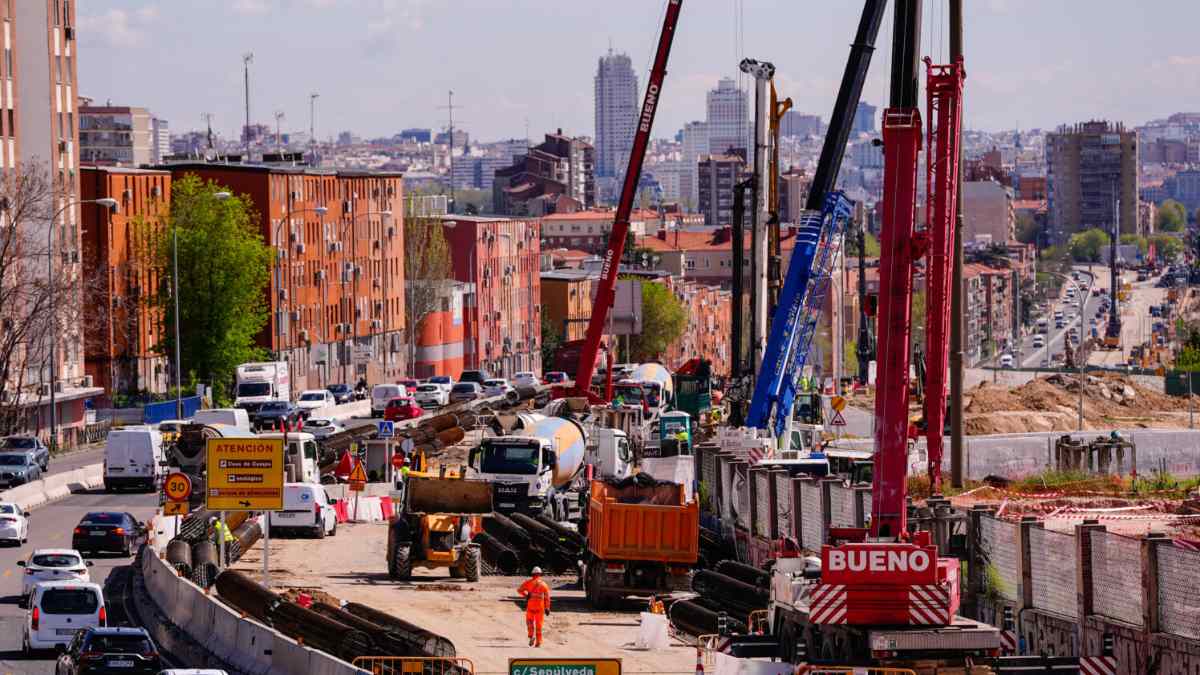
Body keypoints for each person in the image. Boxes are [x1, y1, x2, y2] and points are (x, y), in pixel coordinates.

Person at [517, 566, 552, 647]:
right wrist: (547, 608)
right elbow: (547, 598)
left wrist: (526, 595)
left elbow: (519, 590)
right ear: (540, 574)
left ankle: (531, 636)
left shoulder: (528, 583)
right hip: (540, 608)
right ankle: (538, 642)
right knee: (539, 625)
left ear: (532, 574)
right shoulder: (544, 585)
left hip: (531, 607)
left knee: (529, 623)